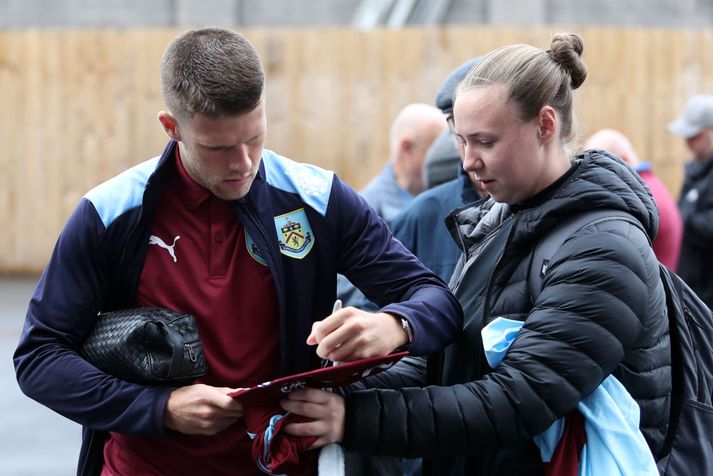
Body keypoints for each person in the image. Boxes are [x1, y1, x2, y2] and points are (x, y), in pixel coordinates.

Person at [13, 28, 463, 476]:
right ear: (172, 129)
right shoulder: (109, 214)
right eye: (218, 148)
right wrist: (158, 407)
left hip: (283, 465)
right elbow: (40, 358)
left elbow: (436, 299)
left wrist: (395, 324)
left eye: (254, 138)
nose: (243, 164)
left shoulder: (318, 199)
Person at [281, 33, 671, 476]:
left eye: (485, 141)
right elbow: (448, 363)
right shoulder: (499, 222)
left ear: (545, 125)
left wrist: (354, 420)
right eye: (461, 142)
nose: (468, 161)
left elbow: (517, 400)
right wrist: (342, 386)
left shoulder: (603, 246)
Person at [390, 57, 484, 284]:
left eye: (487, 139)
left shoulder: (554, 211)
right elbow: (376, 305)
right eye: (461, 137)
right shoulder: (420, 218)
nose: (472, 160)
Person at [584, 128, 683, 269]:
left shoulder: (639, 200)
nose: (595, 177)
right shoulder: (651, 186)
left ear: (624, 159)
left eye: (600, 166)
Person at [360, 103, 447, 223]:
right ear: (407, 148)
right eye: (436, 152)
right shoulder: (368, 216)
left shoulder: (451, 197)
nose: (444, 161)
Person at [667, 94, 713, 310]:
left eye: (694, 136)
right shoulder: (695, 170)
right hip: (692, 292)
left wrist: (682, 217)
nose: (687, 143)